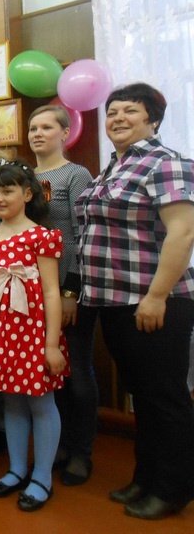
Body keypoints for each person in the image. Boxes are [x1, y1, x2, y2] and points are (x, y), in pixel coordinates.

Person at [76, 82, 194, 520]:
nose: (118, 118)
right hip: (115, 302)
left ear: (154, 120)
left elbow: (182, 233)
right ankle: (147, 477)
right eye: (112, 112)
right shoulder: (115, 166)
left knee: (165, 398)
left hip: (153, 301)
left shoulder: (167, 164)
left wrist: (157, 295)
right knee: (141, 396)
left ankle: (174, 487)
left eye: (131, 111)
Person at [0, 162, 68, 512]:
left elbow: (51, 292)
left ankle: (42, 477)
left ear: (27, 194)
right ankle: (17, 468)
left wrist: (51, 344)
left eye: (7, 191)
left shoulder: (42, 236)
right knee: (11, 401)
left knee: (40, 402)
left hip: (32, 333)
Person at [28, 105, 98, 486]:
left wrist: (72, 290)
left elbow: (83, 236)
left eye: (47, 127)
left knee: (78, 374)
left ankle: (81, 451)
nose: (38, 133)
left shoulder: (76, 174)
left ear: (65, 132)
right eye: (33, 128)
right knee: (48, 371)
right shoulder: (23, 175)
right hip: (33, 292)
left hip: (70, 288)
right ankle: (58, 445)